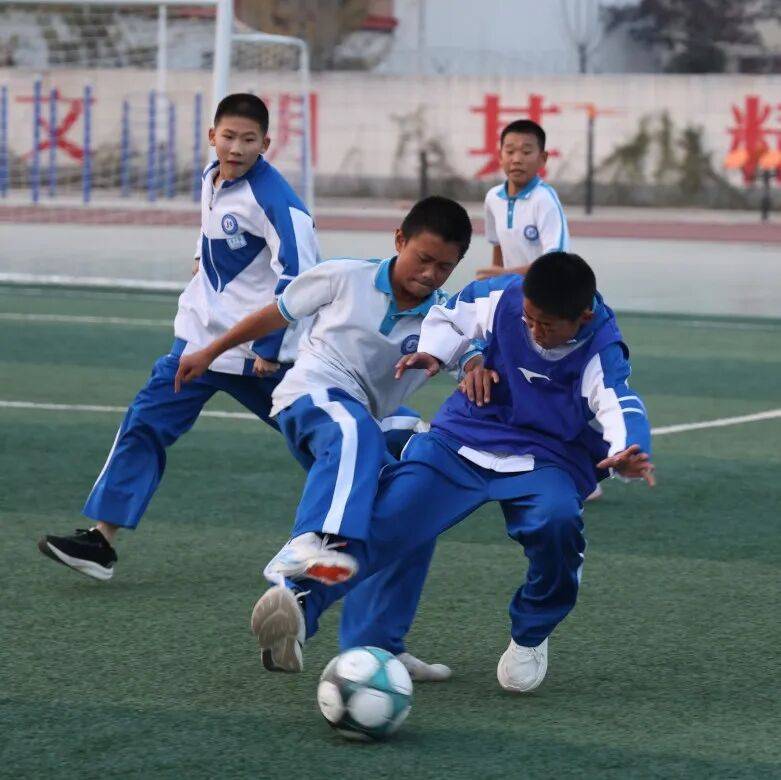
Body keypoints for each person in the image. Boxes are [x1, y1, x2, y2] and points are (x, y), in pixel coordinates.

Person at [249, 252, 655, 693]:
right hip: (466, 434)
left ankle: (531, 634)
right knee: (389, 519)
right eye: (529, 319)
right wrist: (439, 352)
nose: (534, 331)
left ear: (583, 317)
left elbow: (618, 401)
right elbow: (450, 316)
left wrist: (628, 449)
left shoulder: (602, 348)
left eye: (547, 326)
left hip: (546, 457)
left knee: (557, 526)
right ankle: (299, 607)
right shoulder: (504, 296)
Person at [175, 196, 474, 679]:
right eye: (423, 258)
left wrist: (478, 363)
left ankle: (375, 642)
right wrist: (210, 352)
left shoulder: (444, 319)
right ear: (399, 240)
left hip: (369, 420)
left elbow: (473, 357)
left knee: (419, 495)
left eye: (445, 267)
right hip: (310, 396)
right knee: (354, 428)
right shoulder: (345, 276)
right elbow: (275, 315)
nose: (430, 274)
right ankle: (309, 544)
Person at [37, 93, 319, 579]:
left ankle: (388, 489)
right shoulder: (212, 176)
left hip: (256, 356)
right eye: (228, 136)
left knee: (322, 439)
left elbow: (302, 276)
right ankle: (101, 541)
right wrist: (199, 258)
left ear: (266, 143)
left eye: (248, 139)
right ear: (212, 136)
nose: (236, 147)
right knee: (145, 422)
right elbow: (215, 229)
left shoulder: (278, 201)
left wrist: (270, 348)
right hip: (198, 344)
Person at [477, 119, 569, 280]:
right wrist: (494, 283)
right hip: (511, 289)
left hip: (545, 290)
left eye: (526, 152)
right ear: (500, 156)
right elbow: (498, 245)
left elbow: (555, 261)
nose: (517, 159)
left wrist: (506, 274)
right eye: (510, 151)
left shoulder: (545, 199)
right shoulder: (493, 198)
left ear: (543, 158)